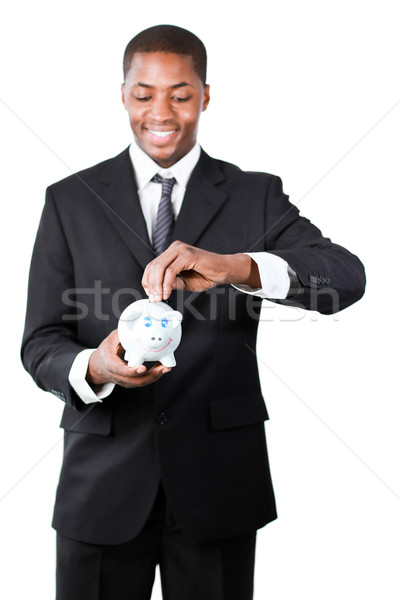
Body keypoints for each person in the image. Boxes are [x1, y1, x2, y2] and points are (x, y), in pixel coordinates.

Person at [21, 24, 366, 600]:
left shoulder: (255, 194)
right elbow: (41, 343)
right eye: (143, 94)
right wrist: (96, 368)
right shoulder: (69, 199)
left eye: (180, 95)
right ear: (122, 93)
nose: (161, 112)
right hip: (100, 485)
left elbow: (345, 276)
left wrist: (237, 267)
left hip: (220, 485)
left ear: (205, 95)